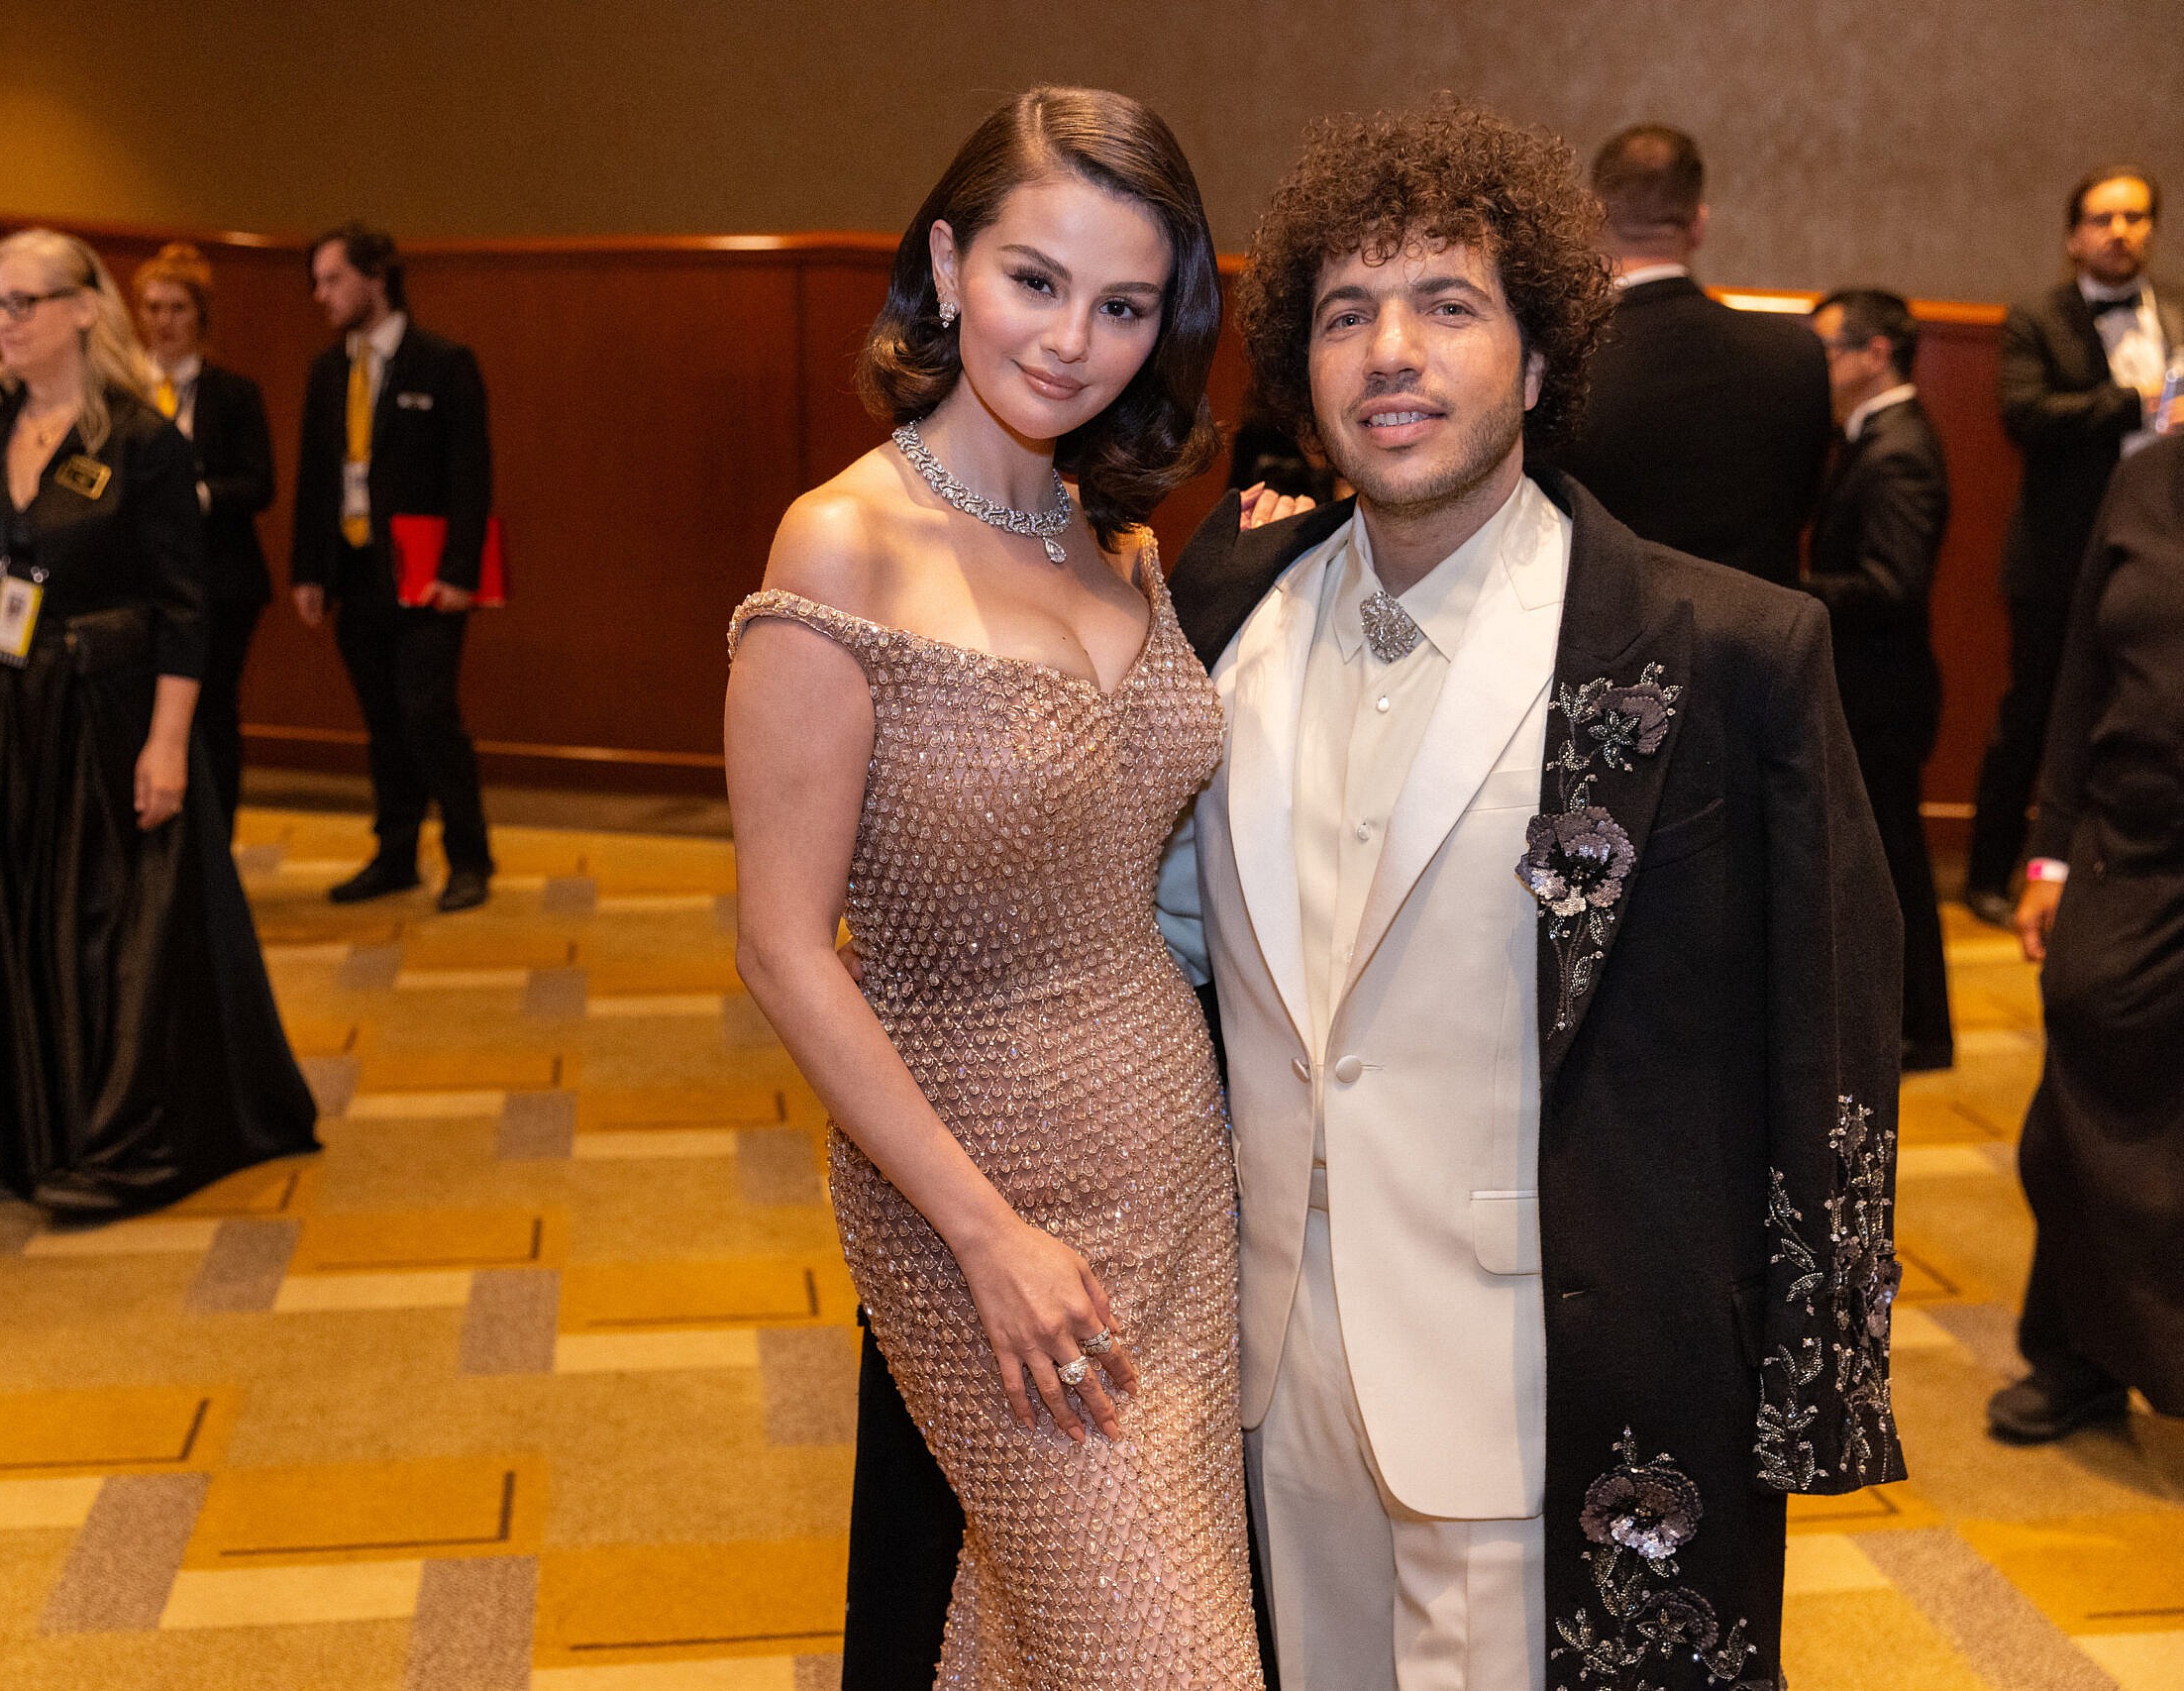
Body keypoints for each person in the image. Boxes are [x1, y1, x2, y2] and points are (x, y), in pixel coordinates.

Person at [848, 98, 1911, 1691]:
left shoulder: (1728, 657)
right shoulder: (1217, 601)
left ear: (1539, 363)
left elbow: (1832, 1033)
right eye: (1347, 312)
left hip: (1555, 1379)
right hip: (1255, 1372)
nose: (1391, 353)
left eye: (1448, 305)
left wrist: (1817, 1383)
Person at [727, 86, 1263, 1688]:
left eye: (1125, 306)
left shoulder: (1124, 543)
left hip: (1177, 1170)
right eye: (1036, 280)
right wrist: (986, 1235)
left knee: (1033, 1637)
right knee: (1163, 1655)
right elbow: (781, 945)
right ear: (950, 263)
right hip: (979, 1203)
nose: (1073, 342)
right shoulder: (842, 544)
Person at [0, 228, 317, 1218]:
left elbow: (183, 608)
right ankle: (12, 1134)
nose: (3, 322)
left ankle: (109, 1137)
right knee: (3, 918)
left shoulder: (141, 441)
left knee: (107, 932)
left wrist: (167, 744)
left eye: (23, 302)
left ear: (83, 308)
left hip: (101, 716)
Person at [1993, 427, 2184, 1445]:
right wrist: (2048, 855)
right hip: (2128, 840)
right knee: (2080, 1083)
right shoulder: (2144, 478)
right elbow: (2080, 678)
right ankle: (2078, 1355)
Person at [1964, 166, 2184, 923]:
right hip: (2058, 556)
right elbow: (2026, 414)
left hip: (2161, 557)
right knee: (2033, 715)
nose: (2120, 231)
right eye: (2102, 218)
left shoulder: (2178, 311)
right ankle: (1989, 873)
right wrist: (2139, 403)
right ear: (2072, 237)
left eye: (2135, 217)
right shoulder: (2038, 317)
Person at [288, 221, 495, 912]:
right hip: (356, 570)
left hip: (427, 575)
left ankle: (469, 856)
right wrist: (309, 571)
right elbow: (316, 477)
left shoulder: (443, 362)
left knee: (428, 713)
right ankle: (396, 854)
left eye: (333, 279)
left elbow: (471, 476)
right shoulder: (328, 371)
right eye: (316, 281)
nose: (320, 294)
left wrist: (461, 572)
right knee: (382, 721)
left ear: (376, 278)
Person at [1550, 125, 1833, 589]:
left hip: (1609, 620)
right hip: (1760, 623)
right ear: (1699, 224)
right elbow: (1805, 506)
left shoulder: (1562, 358)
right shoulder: (1795, 355)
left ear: (1589, 218)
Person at [1807, 288, 1955, 1072]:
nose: (1817, 364)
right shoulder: (1869, 436)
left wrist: (1786, 587)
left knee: (1895, 865)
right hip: (1872, 686)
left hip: (1884, 693)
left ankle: (1923, 1031)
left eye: (1827, 348)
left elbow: (1893, 584)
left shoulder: (1899, 449)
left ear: (1875, 354)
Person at [134, 241, 276, 830]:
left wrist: (194, 495)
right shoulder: (121, 390)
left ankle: (216, 840)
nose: (164, 321)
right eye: (153, 308)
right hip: (140, 580)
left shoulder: (233, 393)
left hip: (221, 578)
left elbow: (259, 484)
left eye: (178, 309)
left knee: (211, 709)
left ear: (201, 316)